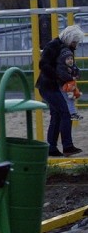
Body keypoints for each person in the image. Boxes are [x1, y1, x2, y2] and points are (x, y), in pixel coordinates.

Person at [36, 24, 84, 156]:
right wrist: (58, 76)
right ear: (69, 39)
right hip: (49, 86)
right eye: (75, 42)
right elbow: (43, 64)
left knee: (57, 115)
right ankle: (67, 146)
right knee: (65, 113)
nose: (76, 45)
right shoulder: (54, 46)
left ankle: (51, 148)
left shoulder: (66, 47)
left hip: (53, 86)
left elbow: (69, 65)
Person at [59, 52, 82, 120]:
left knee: (71, 98)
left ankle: (72, 113)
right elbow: (63, 76)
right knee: (69, 99)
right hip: (64, 86)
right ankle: (72, 114)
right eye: (68, 59)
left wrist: (77, 76)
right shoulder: (62, 67)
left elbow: (78, 71)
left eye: (71, 59)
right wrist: (72, 78)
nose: (70, 60)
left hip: (71, 85)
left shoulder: (74, 66)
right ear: (64, 60)